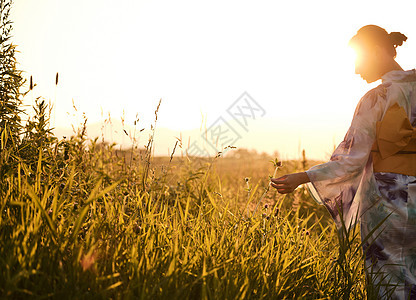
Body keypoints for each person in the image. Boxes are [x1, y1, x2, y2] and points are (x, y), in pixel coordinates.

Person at [271, 25, 416, 299]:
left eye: (358, 59)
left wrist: (302, 177)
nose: (356, 70)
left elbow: (350, 160)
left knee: (389, 280)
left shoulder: (377, 98)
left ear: (374, 51)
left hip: (389, 204)